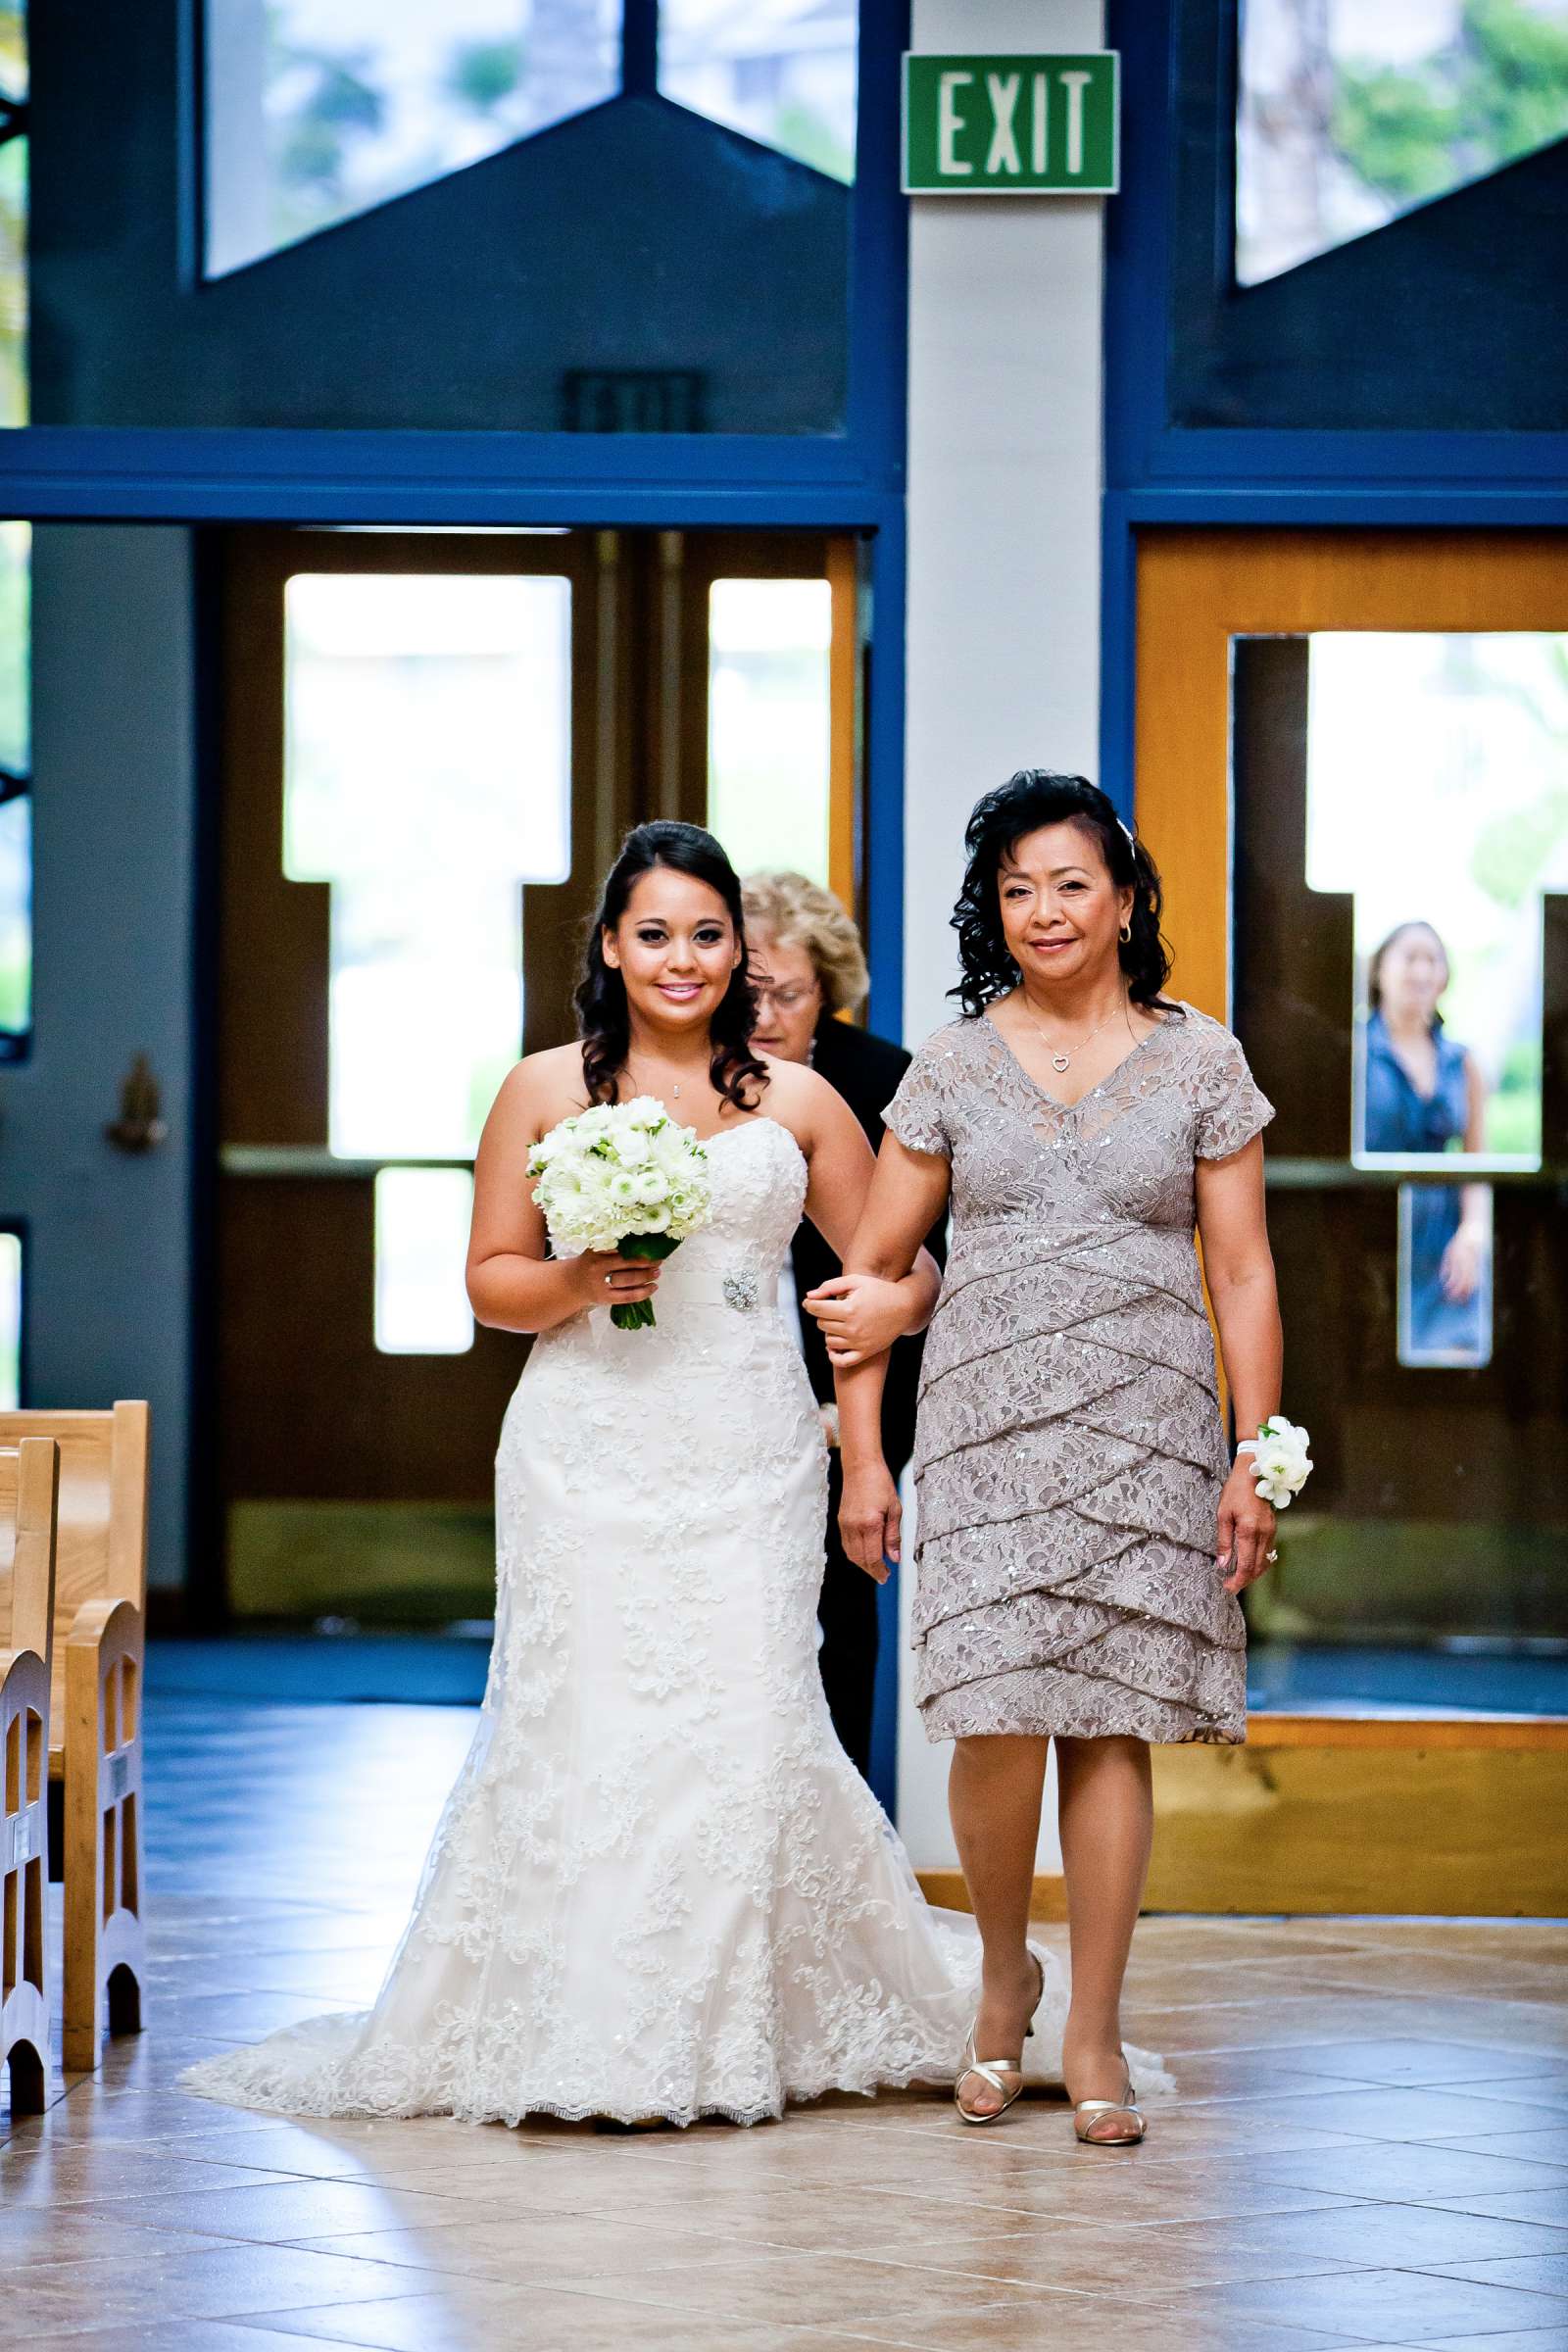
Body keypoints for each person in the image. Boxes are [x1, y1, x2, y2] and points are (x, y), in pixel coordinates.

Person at [181, 819, 1166, 2130]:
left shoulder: (798, 1102)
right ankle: (586, 2022)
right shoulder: (543, 1092)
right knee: (583, 1727)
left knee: (750, 1731)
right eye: (655, 933)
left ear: (742, 953)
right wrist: (579, 1280)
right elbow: (489, 1284)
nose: (684, 958)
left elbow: (903, 1266)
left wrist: (893, 1315)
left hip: (752, 1457)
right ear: (610, 946)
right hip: (584, 1453)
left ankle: (728, 2027)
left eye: (708, 935)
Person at [833, 772, 1283, 2141]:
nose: (1042, 910)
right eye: (1016, 887)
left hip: (1147, 1426)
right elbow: (873, 1271)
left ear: (1127, 896)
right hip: (983, 1424)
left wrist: (1257, 1457)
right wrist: (866, 1456)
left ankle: (1091, 2019)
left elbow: (1247, 1272)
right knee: (991, 1713)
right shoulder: (955, 1064)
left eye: (1069, 882)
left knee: (1108, 1720)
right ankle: (1000, 1975)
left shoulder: (1202, 1060)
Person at [742, 869, 945, 1781]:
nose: (763, 1013)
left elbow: (921, 1262)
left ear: (826, 989)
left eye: (785, 992)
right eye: (746, 991)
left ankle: (842, 1821)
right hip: (718, 1383)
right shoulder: (671, 1083)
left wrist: (843, 1411)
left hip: (852, 1391)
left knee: (837, 1609)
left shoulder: (882, 1079)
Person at [1359, 919, 1492, 1362]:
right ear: (1380, 972)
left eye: (1432, 959)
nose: (1420, 970)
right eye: (1409, 957)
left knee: (1451, 1379)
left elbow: (1479, 1160)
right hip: (1372, 1235)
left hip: (1445, 1244)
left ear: (1444, 977)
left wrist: (1473, 1234)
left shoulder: (1464, 1062)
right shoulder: (1354, 1053)